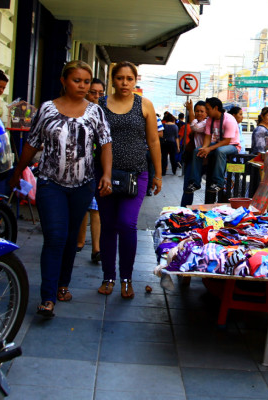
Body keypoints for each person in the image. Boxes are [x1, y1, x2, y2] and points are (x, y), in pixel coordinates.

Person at [9, 60, 112, 318]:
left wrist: (107, 174)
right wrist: (16, 171)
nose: (82, 86)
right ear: (64, 81)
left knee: (69, 239)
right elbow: (32, 144)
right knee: (55, 236)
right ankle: (47, 297)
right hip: (50, 183)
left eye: (86, 82)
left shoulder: (95, 111)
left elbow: (106, 143)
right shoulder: (47, 109)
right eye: (77, 80)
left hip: (83, 184)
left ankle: (63, 284)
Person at [96, 61, 162, 299]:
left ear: (136, 80)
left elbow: (154, 142)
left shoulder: (144, 105)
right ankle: (108, 277)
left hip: (136, 175)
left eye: (129, 78)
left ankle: (126, 278)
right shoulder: (100, 105)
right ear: (112, 79)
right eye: (120, 78)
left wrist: (158, 174)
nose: (124, 83)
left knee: (126, 224)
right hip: (105, 175)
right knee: (108, 226)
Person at [76, 77, 106, 262]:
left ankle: (96, 249)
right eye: (93, 92)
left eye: (100, 93)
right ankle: (79, 242)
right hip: (78, 166)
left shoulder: (103, 112)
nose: (96, 96)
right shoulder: (77, 110)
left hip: (98, 166)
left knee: (95, 208)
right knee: (81, 206)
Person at [185, 97, 240, 194]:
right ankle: (195, 183)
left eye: (207, 108)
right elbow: (207, 137)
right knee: (198, 151)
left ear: (215, 108)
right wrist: (204, 148)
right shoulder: (210, 119)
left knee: (220, 151)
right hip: (219, 144)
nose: (206, 111)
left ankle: (218, 183)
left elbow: (226, 141)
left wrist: (209, 148)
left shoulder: (229, 120)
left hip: (232, 145)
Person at [180, 99, 207, 207]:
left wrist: (190, 109)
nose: (199, 113)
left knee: (209, 189)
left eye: (202, 111)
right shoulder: (197, 123)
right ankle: (184, 212)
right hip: (194, 159)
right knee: (188, 187)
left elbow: (194, 127)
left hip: (207, 161)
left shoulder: (207, 124)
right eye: (197, 111)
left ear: (207, 113)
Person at [147, 116, 164, 196]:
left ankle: (149, 188)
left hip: (150, 150)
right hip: (138, 151)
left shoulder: (155, 118)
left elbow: (161, 134)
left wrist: (148, 134)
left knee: (151, 171)